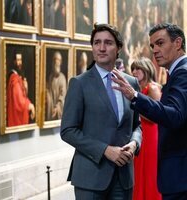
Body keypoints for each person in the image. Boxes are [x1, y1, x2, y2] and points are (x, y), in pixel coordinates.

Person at [60, 23, 142, 200]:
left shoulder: (132, 83)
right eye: (97, 43)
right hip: (90, 178)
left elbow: (137, 126)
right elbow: (68, 131)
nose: (102, 48)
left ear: (119, 48)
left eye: (108, 43)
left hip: (124, 177)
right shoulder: (79, 84)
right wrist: (105, 150)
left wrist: (134, 144)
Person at [112, 23, 187, 200]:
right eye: (152, 46)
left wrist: (135, 96)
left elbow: (175, 116)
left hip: (180, 173)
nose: (155, 50)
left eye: (160, 43)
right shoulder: (177, 72)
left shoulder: (182, 73)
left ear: (178, 43)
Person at [130, 57, 162, 200]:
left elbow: (156, 116)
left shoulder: (153, 87)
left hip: (150, 135)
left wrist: (134, 107)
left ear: (146, 69)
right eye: (133, 69)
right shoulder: (137, 88)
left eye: (138, 69)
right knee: (138, 172)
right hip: (139, 133)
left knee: (149, 172)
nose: (134, 72)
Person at [7, 52, 35, 127]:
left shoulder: (18, 77)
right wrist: (30, 105)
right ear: (14, 61)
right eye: (17, 60)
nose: (19, 63)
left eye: (20, 60)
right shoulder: (14, 78)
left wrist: (25, 87)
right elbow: (19, 100)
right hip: (16, 117)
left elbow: (23, 95)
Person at [46, 51, 67, 121]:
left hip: (58, 111)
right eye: (55, 59)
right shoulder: (51, 77)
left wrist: (57, 107)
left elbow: (63, 95)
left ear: (60, 62)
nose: (56, 62)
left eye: (58, 60)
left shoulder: (62, 78)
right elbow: (49, 91)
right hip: (51, 109)